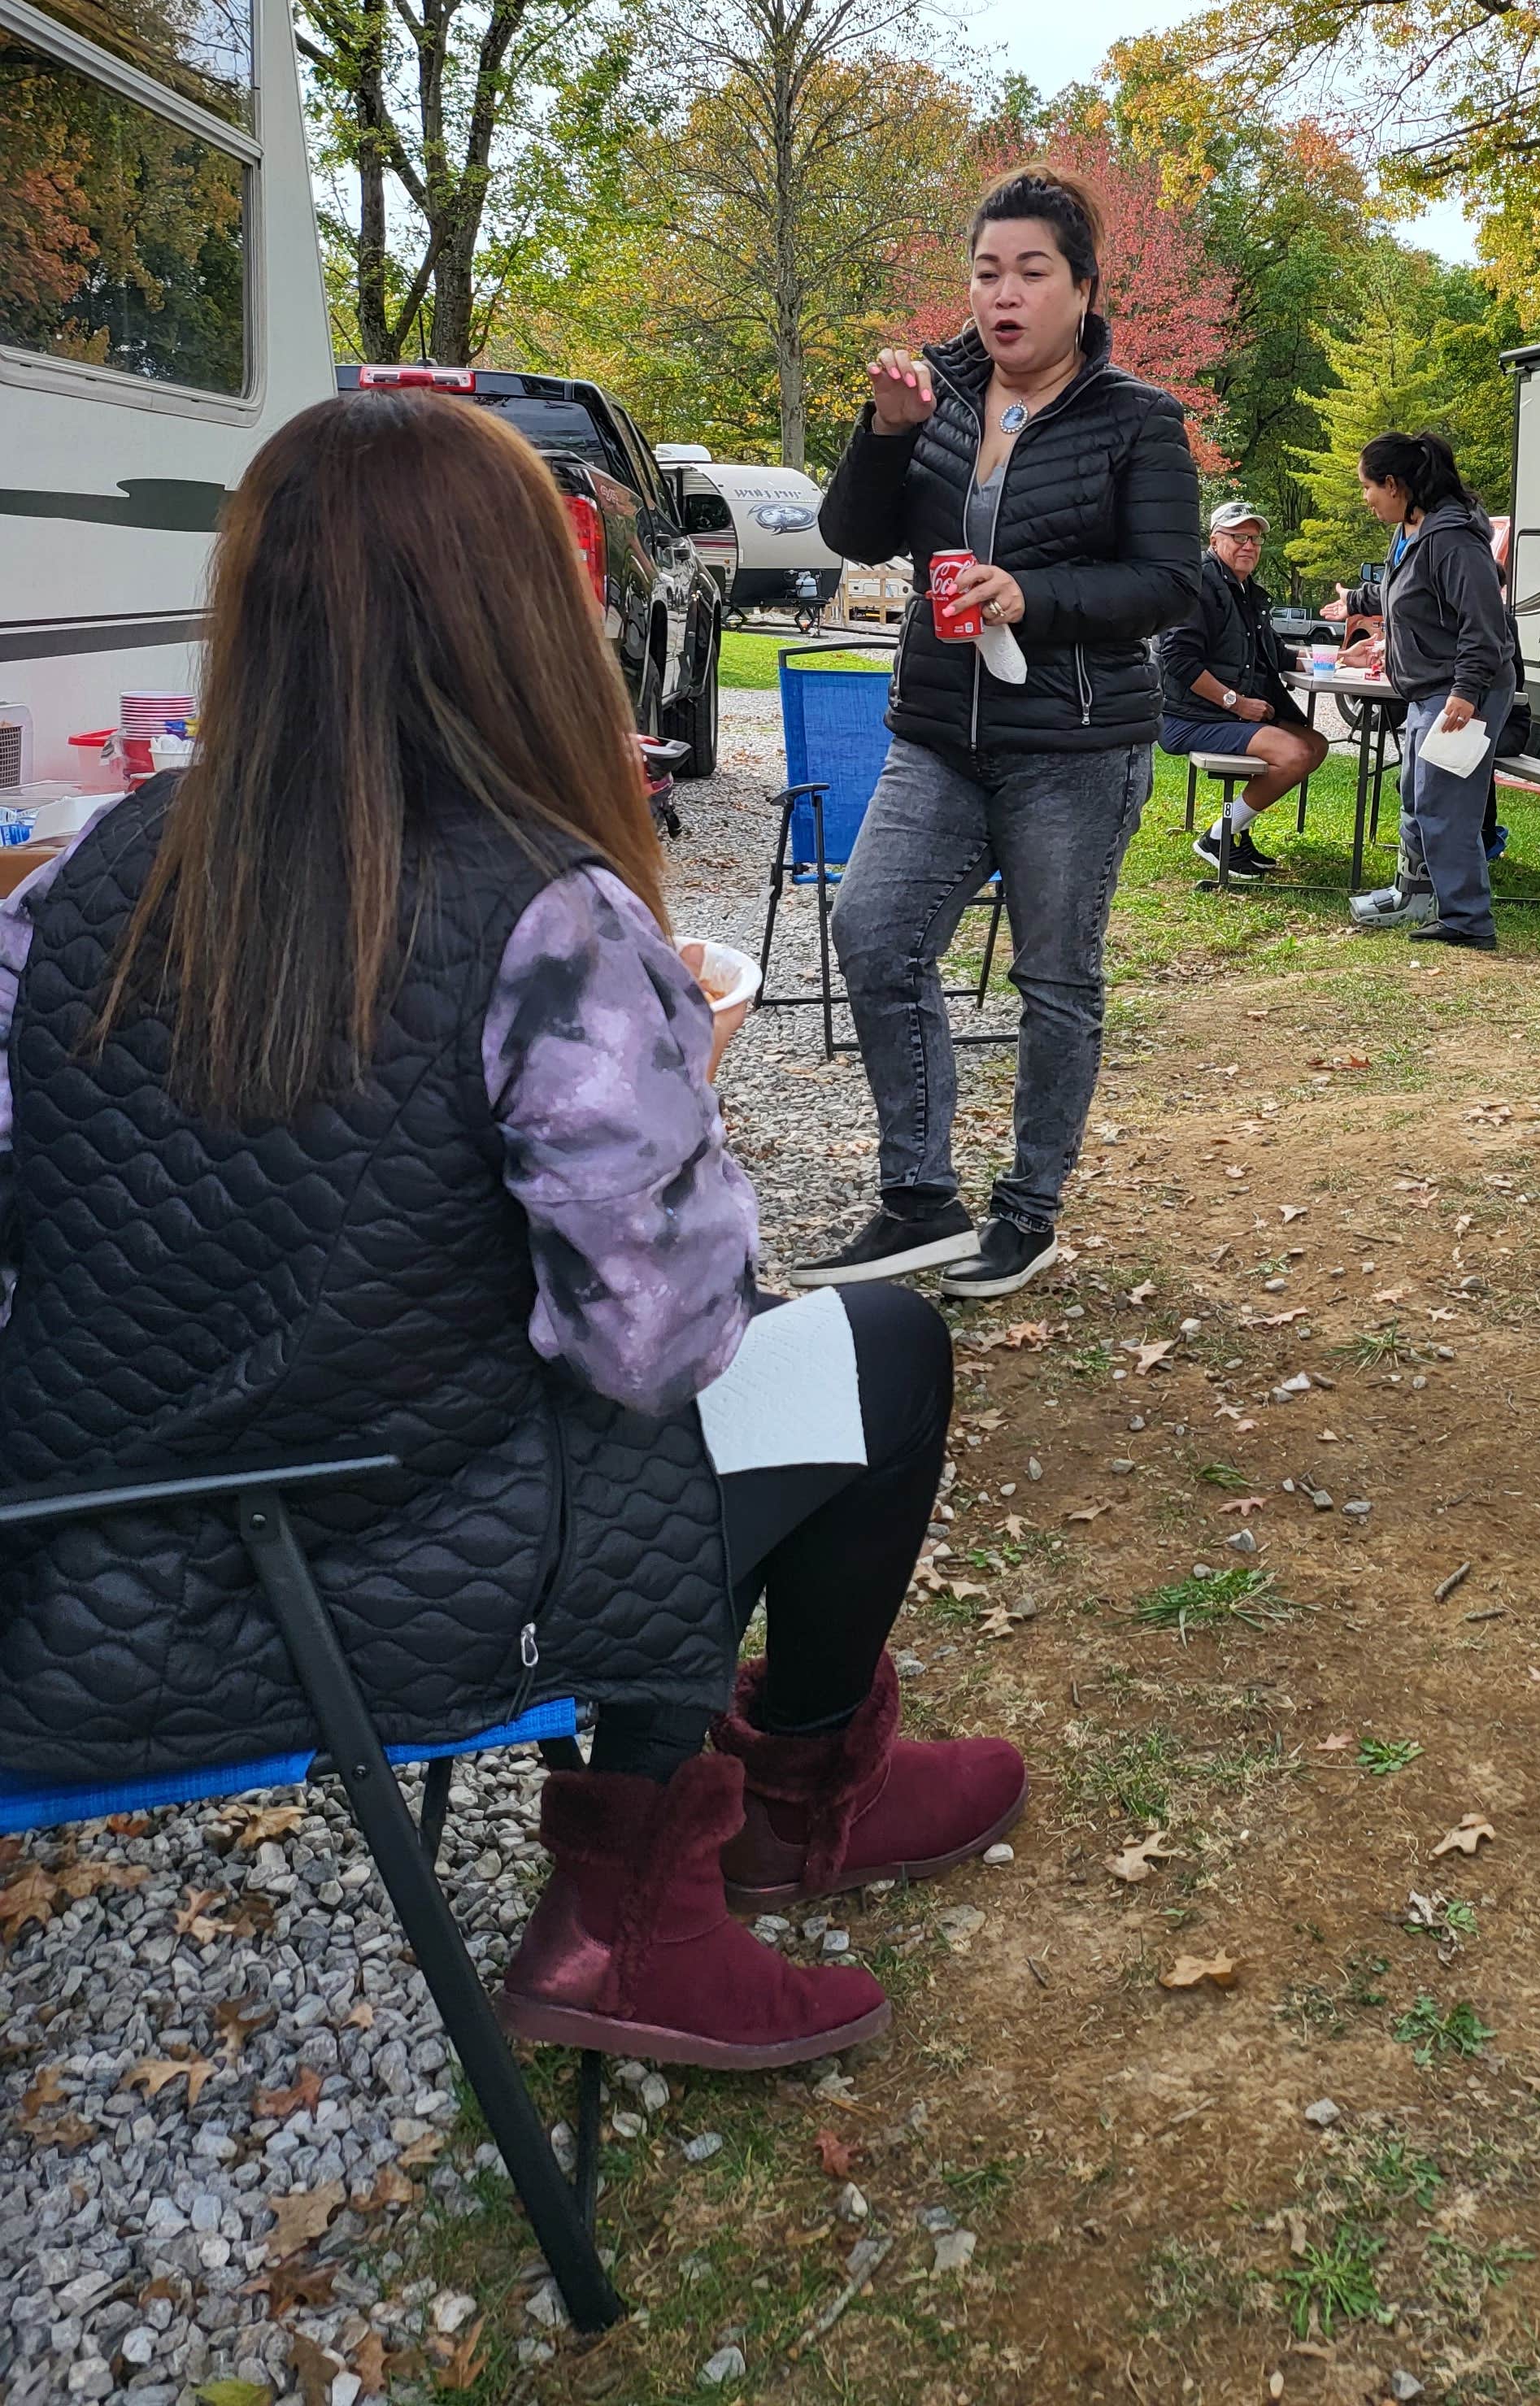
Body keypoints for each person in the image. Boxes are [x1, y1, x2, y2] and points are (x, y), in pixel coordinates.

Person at [0, 389, 1024, 2069]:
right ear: (518, 618)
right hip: (382, 1591)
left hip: (87, 1586)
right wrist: (673, 1083)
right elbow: (664, 1333)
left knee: (622, 1394)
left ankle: (775, 1792)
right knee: (876, 1352)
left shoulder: (89, 873)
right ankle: (726, 1841)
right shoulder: (545, 911)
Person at [808, 167, 1200, 1299]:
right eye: (987, 272)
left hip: (1074, 748)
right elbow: (852, 534)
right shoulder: (931, 392)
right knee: (875, 933)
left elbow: (1170, 584)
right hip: (940, 732)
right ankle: (921, 1200)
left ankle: (1027, 1213)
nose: (1004, 294)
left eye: (1032, 272)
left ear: (1082, 288)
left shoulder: (1137, 420)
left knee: (1056, 981)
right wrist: (884, 434)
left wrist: (1034, 594)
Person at [1346, 429, 1518, 949]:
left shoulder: (1452, 538)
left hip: (1461, 695)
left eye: (1368, 487)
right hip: (1432, 691)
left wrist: (1465, 693)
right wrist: (1370, 614)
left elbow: (1483, 625)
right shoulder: (1417, 528)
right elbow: (1412, 596)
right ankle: (1414, 894)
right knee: (1416, 795)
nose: (1366, 498)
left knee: (1446, 807)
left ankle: (1468, 922)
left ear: (1394, 484)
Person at [1158, 501, 1329, 876]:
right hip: (1189, 716)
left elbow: (1275, 655)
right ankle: (1218, 837)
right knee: (1294, 754)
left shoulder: (1244, 589)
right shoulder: (1201, 583)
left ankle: (1236, 830)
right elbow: (1178, 660)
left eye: (1255, 539)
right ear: (1215, 539)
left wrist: (1345, 658)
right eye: (1239, 537)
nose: (1249, 546)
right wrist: (1237, 704)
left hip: (1225, 713)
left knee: (1316, 745)